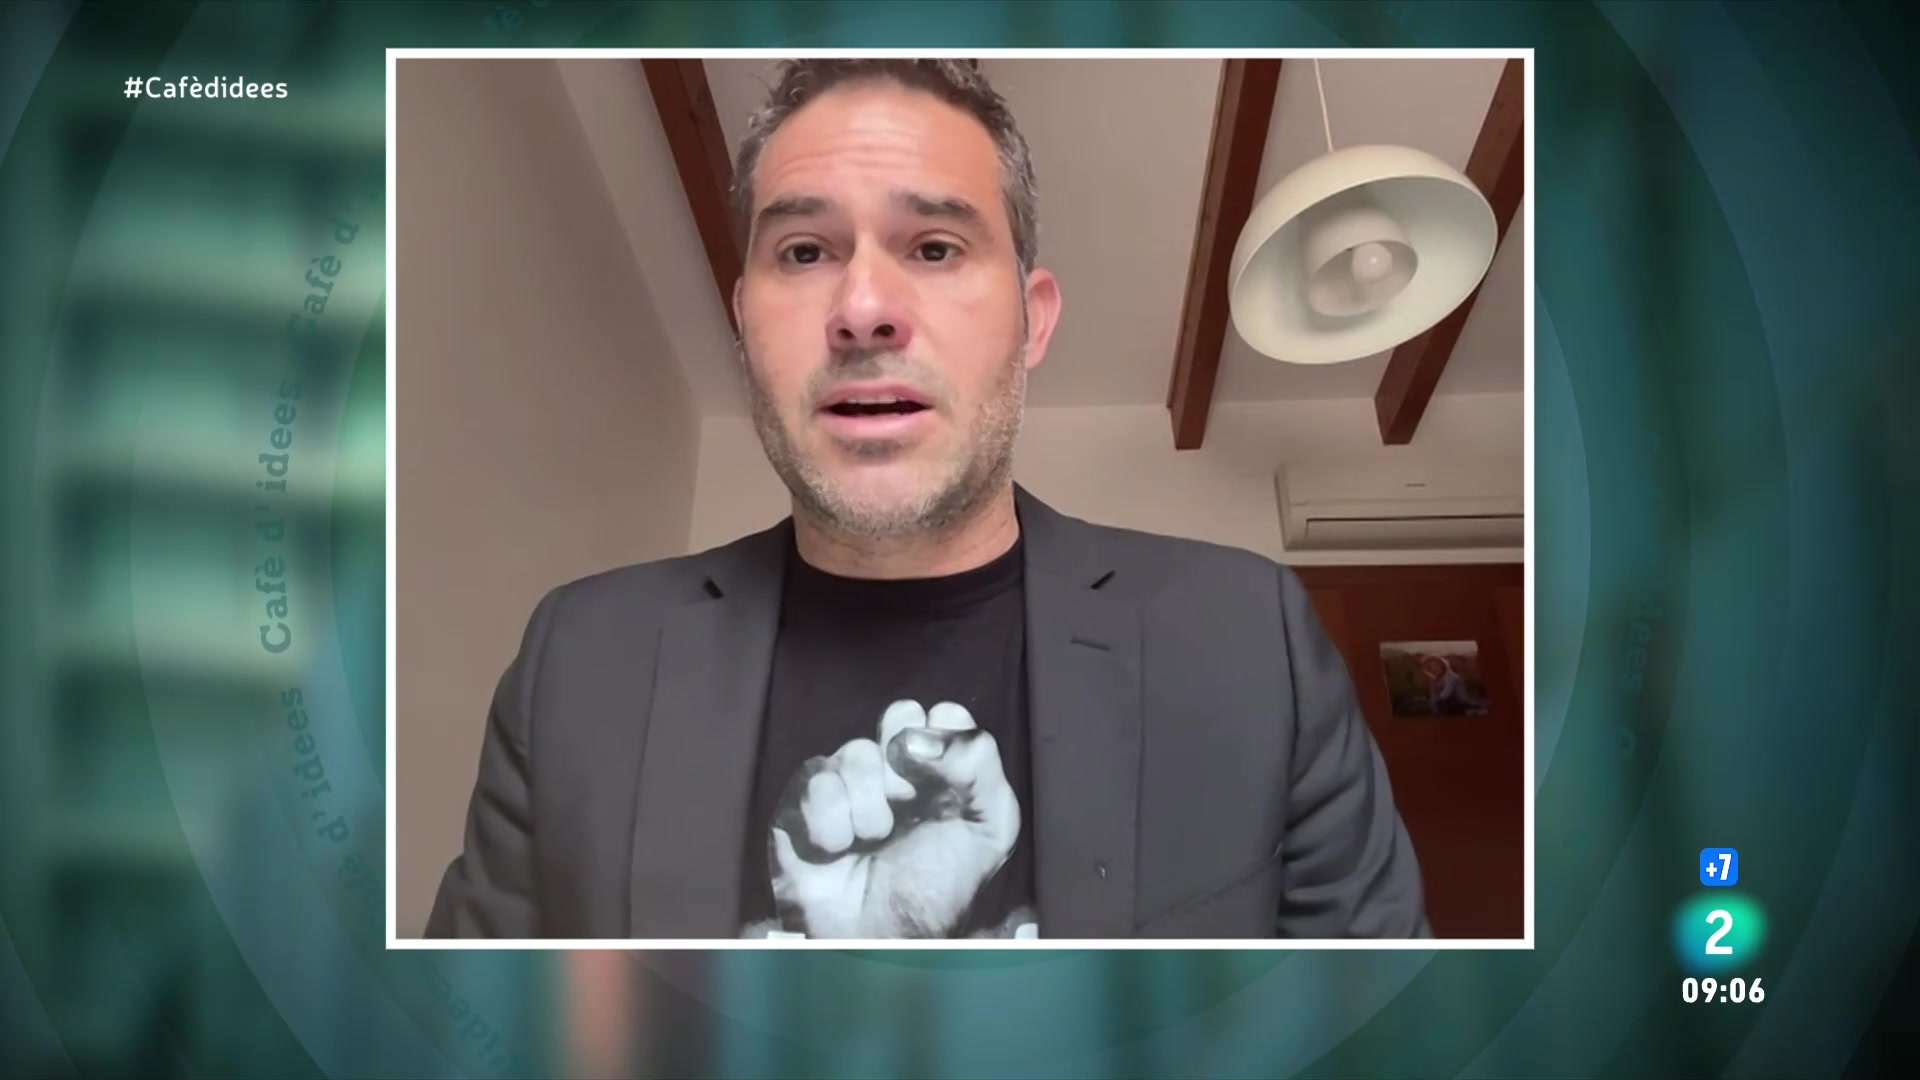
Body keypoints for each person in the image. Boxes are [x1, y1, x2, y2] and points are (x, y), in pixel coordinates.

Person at [425, 59, 1429, 940]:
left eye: (936, 247)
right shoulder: (581, 662)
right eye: (804, 251)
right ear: (743, 325)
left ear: (1032, 323)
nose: (862, 310)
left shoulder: (1244, 638)